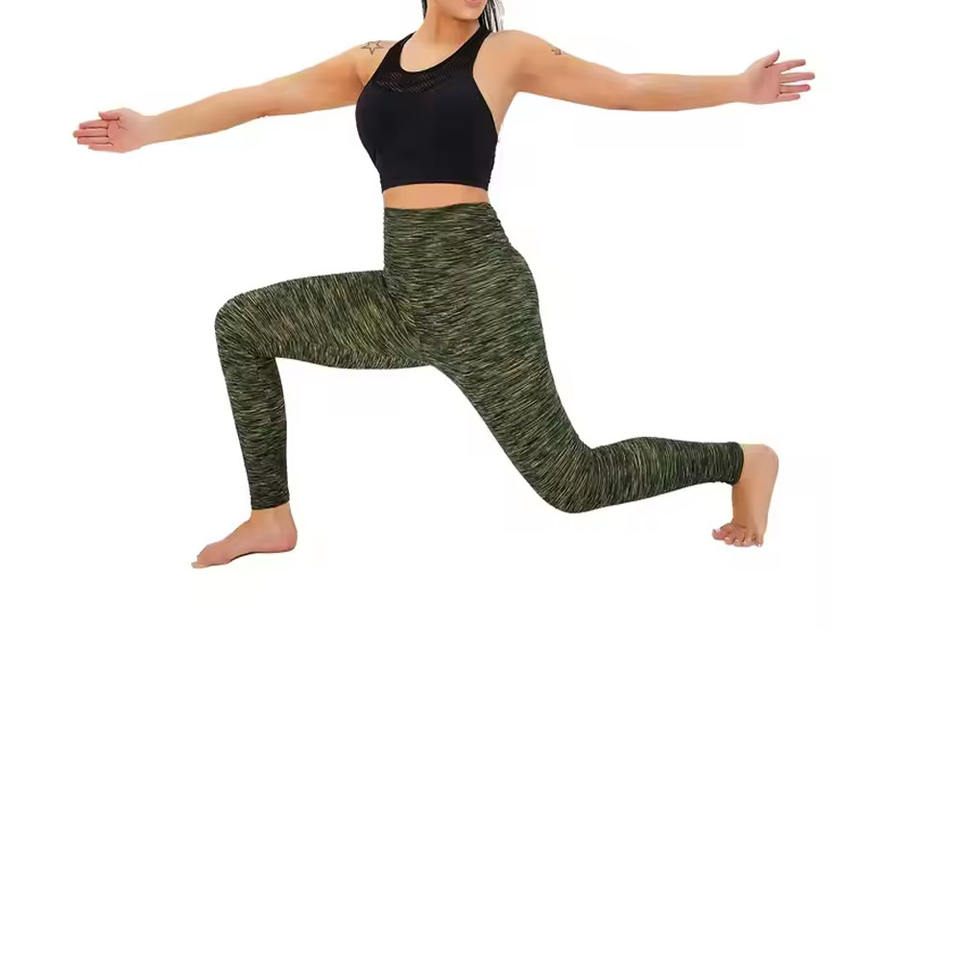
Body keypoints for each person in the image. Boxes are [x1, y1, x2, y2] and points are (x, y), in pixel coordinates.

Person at [73, 0, 811, 567]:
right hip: (402, 297)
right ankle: (271, 516)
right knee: (242, 324)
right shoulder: (371, 61)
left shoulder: (506, 53)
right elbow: (261, 98)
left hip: (479, 292)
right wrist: (151, 128)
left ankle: (741, 461)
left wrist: (740, 88)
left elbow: (625, 88)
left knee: (572, 485)